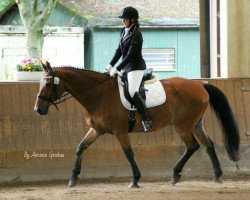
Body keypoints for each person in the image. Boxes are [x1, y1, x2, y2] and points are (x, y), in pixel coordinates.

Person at [106, 6, 152, 132]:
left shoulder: (137, 33)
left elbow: (131, 55)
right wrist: (110, 65)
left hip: (136, 67)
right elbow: (119, 51)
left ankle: (146, 119)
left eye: (125, 19)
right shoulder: (123, 30)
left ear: (132, 20)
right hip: (126, 67)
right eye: (123, 19)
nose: (123, 21)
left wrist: (117, 68)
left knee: (132, 91)